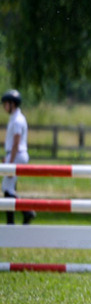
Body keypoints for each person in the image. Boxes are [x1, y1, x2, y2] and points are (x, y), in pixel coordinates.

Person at [2, 89, 34, 225]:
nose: (4, 107)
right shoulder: (16, 118)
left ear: (12, 104)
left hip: (17, 155)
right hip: (15, 155)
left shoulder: (17, 120)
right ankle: (14, 220)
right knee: (10, 189)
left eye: (5, 104)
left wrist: (10, 163)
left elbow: (16, 143)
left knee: (6, 189)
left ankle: (27, 212)